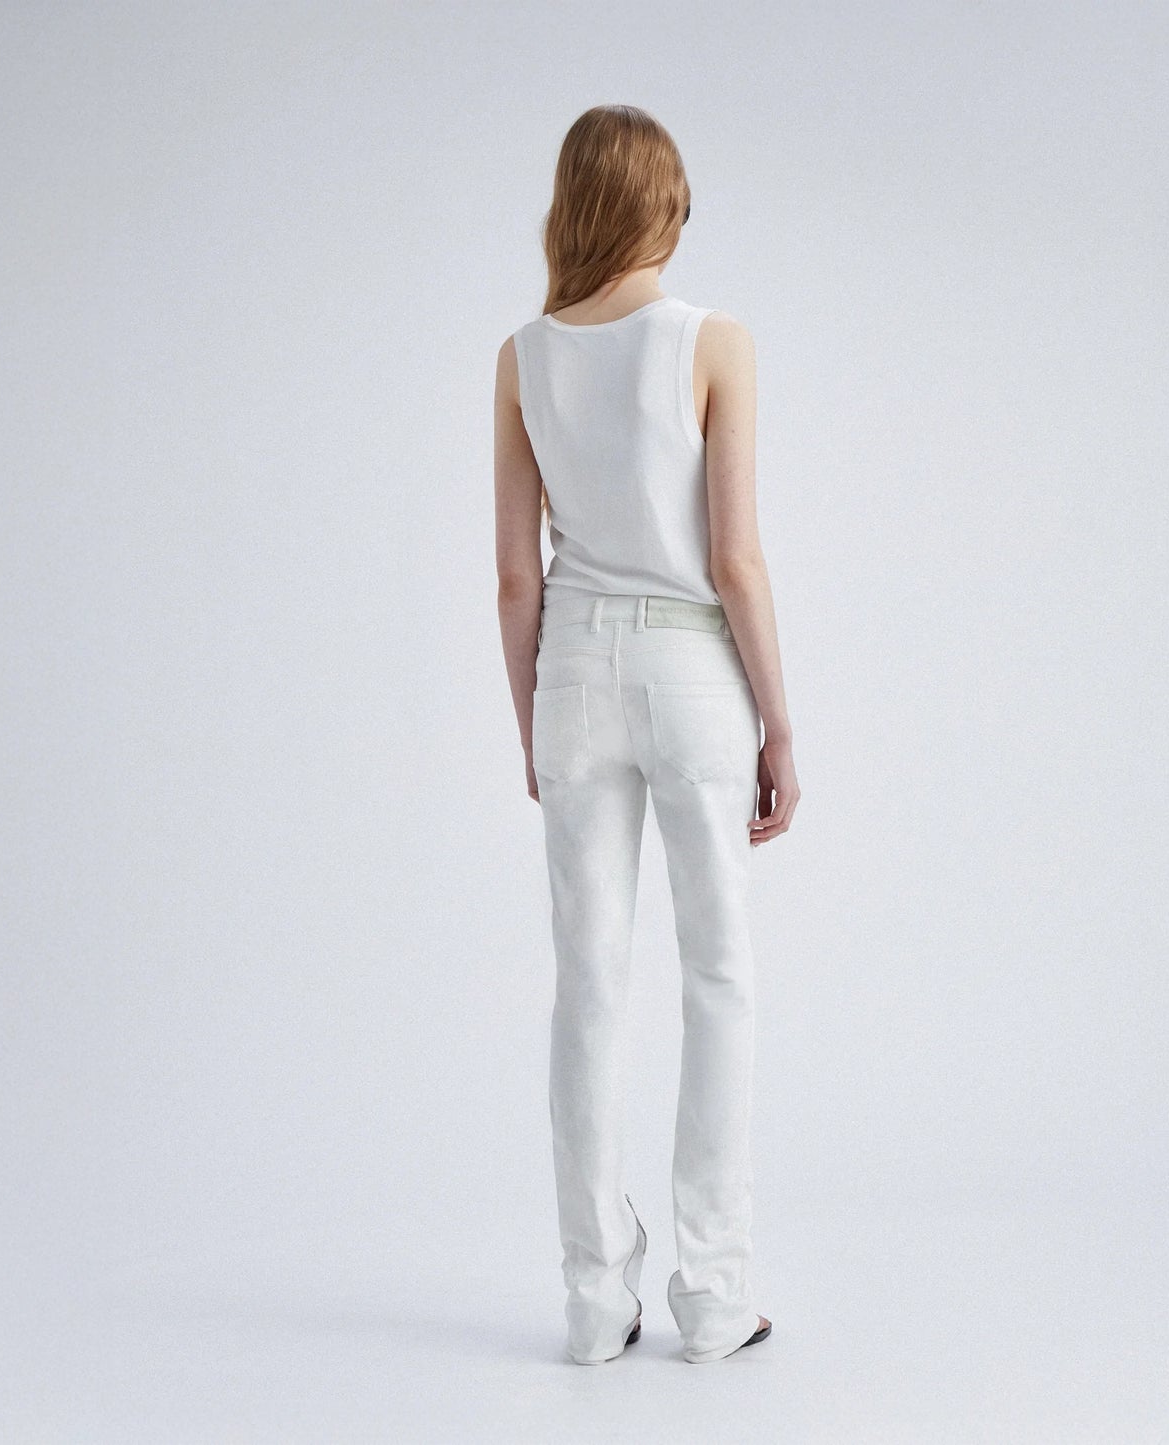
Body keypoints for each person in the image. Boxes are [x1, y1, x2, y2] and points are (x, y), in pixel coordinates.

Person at [493, 104, 799, 1366]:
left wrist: (530, 723)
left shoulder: (520, 356)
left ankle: (590, 1295)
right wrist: (780, 722)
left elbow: (515, 578)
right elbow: (734, 558)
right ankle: (712, 1293)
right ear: (664, 204)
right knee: (716, 974)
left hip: (570, 669)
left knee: (587, 983)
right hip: (689, 670)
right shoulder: (710, 340)